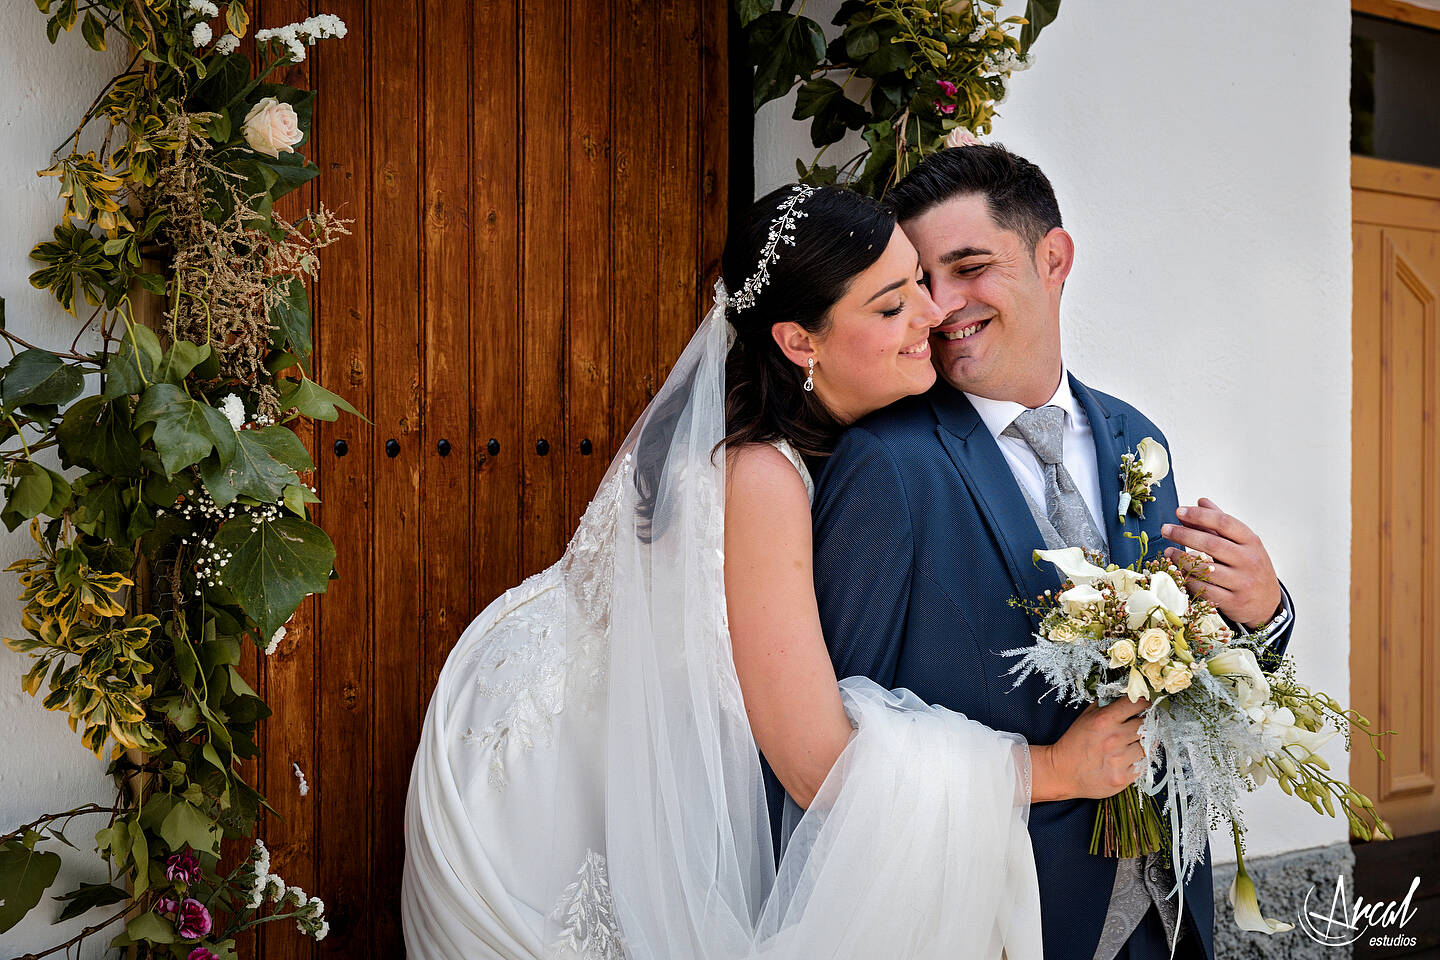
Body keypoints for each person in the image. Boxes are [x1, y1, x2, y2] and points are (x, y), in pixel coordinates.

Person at [402, 184, 1057, 959]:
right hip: (550, 807)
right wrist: (1047, 772)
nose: (932, 312)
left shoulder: (758, 433)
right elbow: (816, 767)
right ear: (798, 342)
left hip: (525, 718)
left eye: (917, 278)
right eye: (890, 306)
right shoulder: (759, 475)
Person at [806, 143, 1297, 960]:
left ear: (1053, 257)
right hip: (1000, 914)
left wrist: (1263, 613)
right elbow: (839, 726)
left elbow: (1183, 664)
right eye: (924, 281)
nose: (943, 305)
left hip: (1168, 906)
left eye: (969, 267)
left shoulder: (1137, 436)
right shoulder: (887, 463)